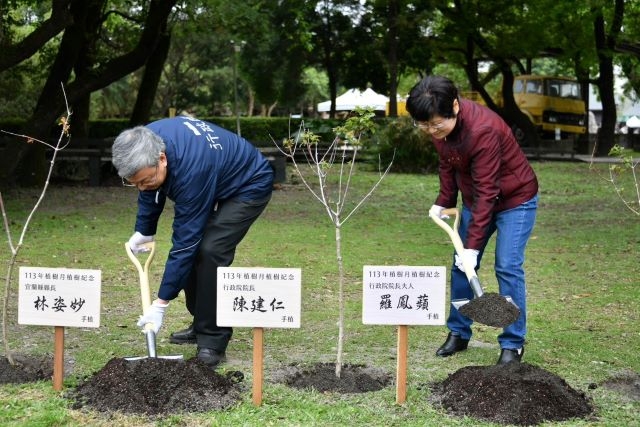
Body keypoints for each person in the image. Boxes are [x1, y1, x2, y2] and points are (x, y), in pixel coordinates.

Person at [112, 116, 273, 368]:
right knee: (193, 252)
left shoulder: (191, 170)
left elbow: (186, 241)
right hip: (215, 175)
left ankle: (213, 339)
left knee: (209, 251)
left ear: (162, 159)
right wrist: (144, 230)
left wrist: (161, 302)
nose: (141, 187)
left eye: (144, 180)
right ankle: (201, 322)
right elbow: (150, 189)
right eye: (134, 183)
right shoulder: (145, 141)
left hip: (248, 183)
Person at [406, 75, 539, 365]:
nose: (431, 130)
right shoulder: (439, 127)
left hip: (515, 200)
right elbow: (447, 164)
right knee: (460, 267)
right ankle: (459, 332)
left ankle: (513, 343)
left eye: (436, 124)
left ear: (455, 105)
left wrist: (473, 247)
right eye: (425, 125)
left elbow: (488, 192)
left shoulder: (483, 131)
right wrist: (444, 201)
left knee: (507, 266)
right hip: (477, 199)